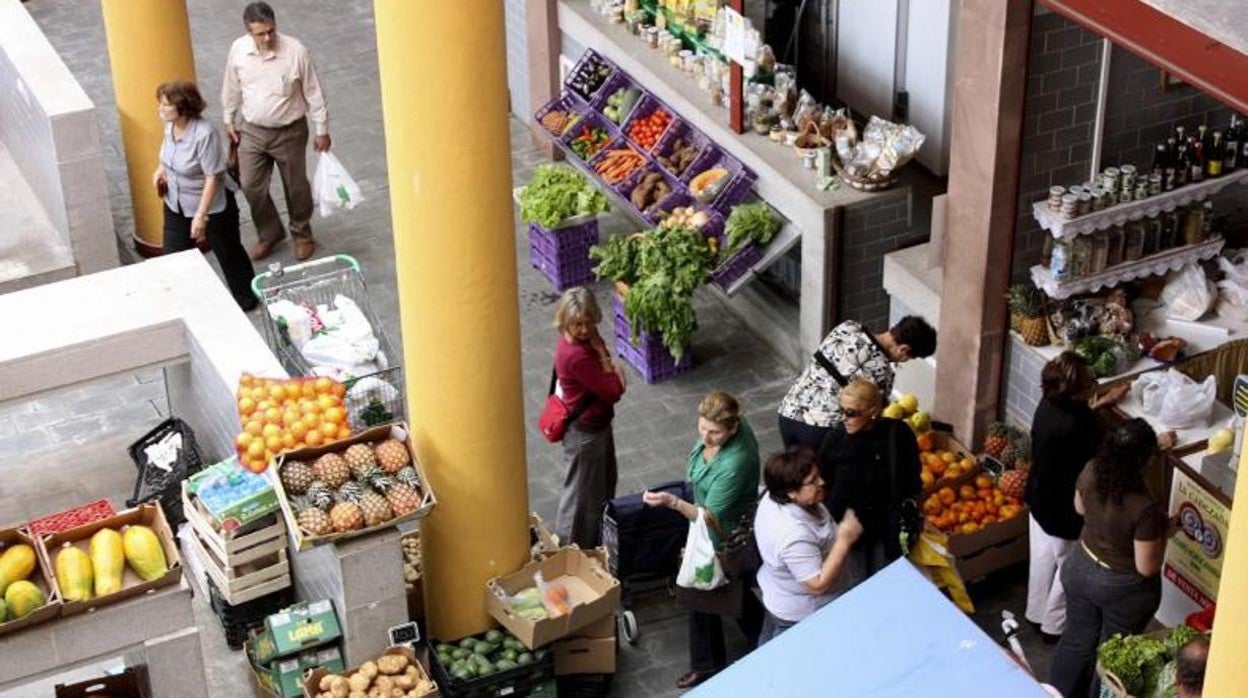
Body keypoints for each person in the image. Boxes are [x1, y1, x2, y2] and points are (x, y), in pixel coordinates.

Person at [1049, 418, 1178, 698]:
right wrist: (1165, 531)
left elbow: (1080, 508)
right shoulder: (1143, 508)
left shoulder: (1092, 470)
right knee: (1111, 657)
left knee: (1076, 640)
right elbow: (1146, 567)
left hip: (1080, 566)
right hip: (1121, 589)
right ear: (1143, 462)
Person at [642, 392, 763, 689]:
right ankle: (765, 636)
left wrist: (671, 502)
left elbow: (708, 516)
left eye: (715, 432)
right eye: (703, 428)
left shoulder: (734, 464)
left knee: (702, 586)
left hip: (721, 532)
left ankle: (709, 663)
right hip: (715, 526)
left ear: (733, 429)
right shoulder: (732, 426)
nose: (706, 436)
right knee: (728, 591)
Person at [1024, 352, 1128, 642]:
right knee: (1068, 569)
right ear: (1075, 390)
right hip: (1064, 509)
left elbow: (1076, 420)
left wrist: (1102, 403)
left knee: (1043, 558)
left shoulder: (1049, 404)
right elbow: (1107, 454)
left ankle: (1035, 613)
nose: (1094, 383)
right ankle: (1054, 627)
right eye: (1090, 381)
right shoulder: (1081, 424)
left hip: (1038, 495)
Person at [222, 1, 330, 262]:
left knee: (296, 188)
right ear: (249, 31)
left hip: (289, 131)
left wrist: (321, 129)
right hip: (253, 131)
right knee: (250, 186)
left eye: (271, 31)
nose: (267, 38)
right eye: (260, 33)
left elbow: (314, 92)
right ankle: (269, 233)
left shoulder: (295, 51)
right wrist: (229, 119)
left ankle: (302, 234)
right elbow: (232, 86)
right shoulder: (238, 50)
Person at [152, 80, 258, 312]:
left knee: (228, 251)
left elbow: (213, 176)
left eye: (165, 105)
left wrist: (201, 215)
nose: (160, 109)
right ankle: (186, 303)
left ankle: (247, 297)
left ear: (182, 107)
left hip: (212, 206)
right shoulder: (169, 126)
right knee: (175, 256)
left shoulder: (204, 134)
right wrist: (160, 171)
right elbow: (168, 153)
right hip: (176, 202)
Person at [817, 378, 922, 585]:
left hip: (886, 529)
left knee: (885, 581)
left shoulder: (898, 434)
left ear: (873, 411)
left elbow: (912, 478)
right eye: (841, 410)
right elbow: (822, 482)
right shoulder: (836, 439)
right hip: (847, 532)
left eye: (851, 413)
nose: (844, 418)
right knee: (853, 584)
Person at [777, 316, 936, 451]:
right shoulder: (882, 373)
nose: (905, 361)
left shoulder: (849, 327)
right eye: (910, 357)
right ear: (903, 349)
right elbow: (870, 419)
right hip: (820, 430)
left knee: (793, 479)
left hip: (789, 412)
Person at [754, 447, 863, 644]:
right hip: (801, 613)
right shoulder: (793, 535)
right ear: (791, 492)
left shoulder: (777, 495)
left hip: (778, 593)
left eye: (818, 475)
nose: (821, 482)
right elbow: (817, 585)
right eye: (812, 481)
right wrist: (844, 540)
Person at [552, 287, 625, 549]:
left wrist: (603, 357)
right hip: (586, 434)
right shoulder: (576, 355)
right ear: (566, 320)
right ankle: (568, 549)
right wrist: (611, 367)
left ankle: (593, 543)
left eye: (588, 322)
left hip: (597, 426)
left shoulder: (585, 340)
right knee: (580, 499)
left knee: (601, 488)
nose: (585, 329)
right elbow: (613, 390)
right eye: (577, 324)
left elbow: (602, 353)